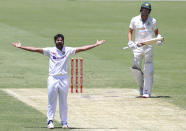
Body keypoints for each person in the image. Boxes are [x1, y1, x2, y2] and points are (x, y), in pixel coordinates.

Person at [12, 34, 106, 129]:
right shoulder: (50, 51)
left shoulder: (68, 50)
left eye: (61, 40)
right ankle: (50, 121)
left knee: (63, 101)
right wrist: (21, 47)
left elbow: (82, 48)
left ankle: (64, 122)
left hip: (64, 78)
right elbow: (35, 49)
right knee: (51, 101)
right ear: (55, 41)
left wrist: (95, 44)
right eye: (58, 40)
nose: (59, 41)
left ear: (63, 41)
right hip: (53, 78)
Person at [127, 2, 163, 98]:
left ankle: (147, 91)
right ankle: (141, 86)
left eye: (147, 10)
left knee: (148, 69)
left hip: (148, 47)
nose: (145, 11)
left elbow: (157, 33)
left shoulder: (153, 21)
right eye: (143, 9)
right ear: (141, 9)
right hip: (137, 47)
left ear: (149, 11)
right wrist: (130, 42)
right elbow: (130, 31)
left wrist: (158, 39)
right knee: (135, 68)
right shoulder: (134, 19)